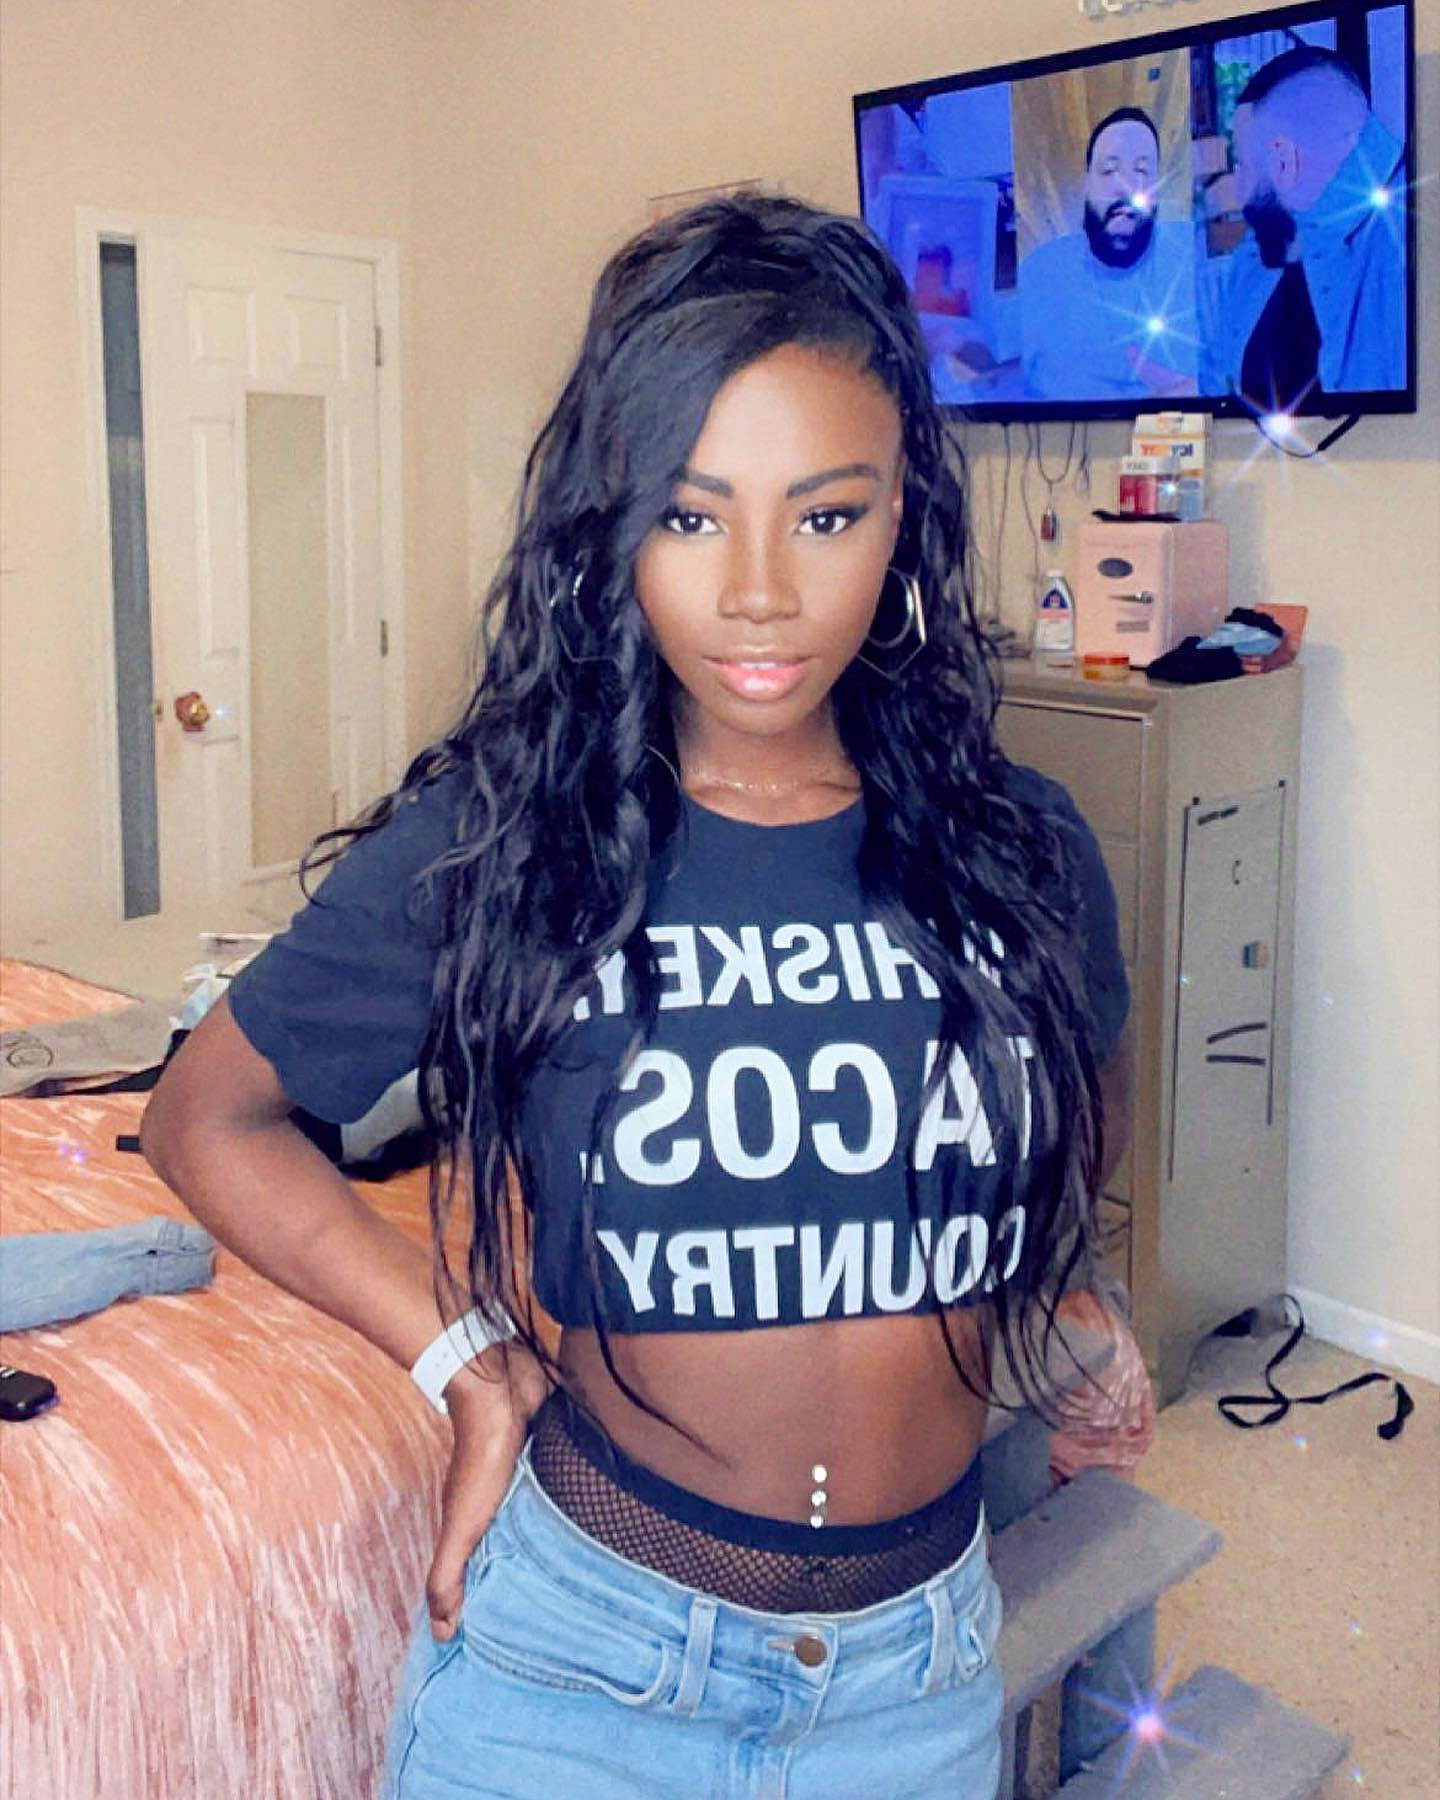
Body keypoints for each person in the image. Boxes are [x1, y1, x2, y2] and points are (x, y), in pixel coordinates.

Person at [140, 194, 1131, 1799]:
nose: (759, 591)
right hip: (582, 1677)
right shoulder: (506, 840)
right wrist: (466, 1362)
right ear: (613, 524)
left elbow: (1081, 1098)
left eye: (826, 516)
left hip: (918, 1691)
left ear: (904, 514)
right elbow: (208, 1119)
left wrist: (1061, 1294)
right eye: (690, 515)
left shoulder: (1026, 850)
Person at [1205, 45, 1407, 409]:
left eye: (1243, 165)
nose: (1237, 190)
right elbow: (1219, 384)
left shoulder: (1408, 244)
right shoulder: (1258, 252)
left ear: (1284, 162)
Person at [1020, 105, 1199, 402]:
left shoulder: (1194, 255)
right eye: (1109, 170)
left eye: (1141, 171)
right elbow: (993, 374)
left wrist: (1200, 392)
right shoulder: (1041, 272)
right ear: (1086, 186)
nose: (1125, 187)